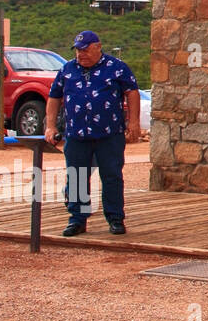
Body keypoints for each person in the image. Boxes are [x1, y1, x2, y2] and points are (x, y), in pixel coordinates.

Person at [44, 30, 141, 236]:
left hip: (109, 133)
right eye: (78, 50)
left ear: (98, 47)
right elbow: (54, 97)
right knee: (77, 176)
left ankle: (115, 218)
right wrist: (50, 126)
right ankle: (77, 219)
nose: (81, 54)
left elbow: (132, 91)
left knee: (111, 175)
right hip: (77, 134)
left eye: (86, 50)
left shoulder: (116, 68)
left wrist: (133, 122)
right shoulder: (67, 70)